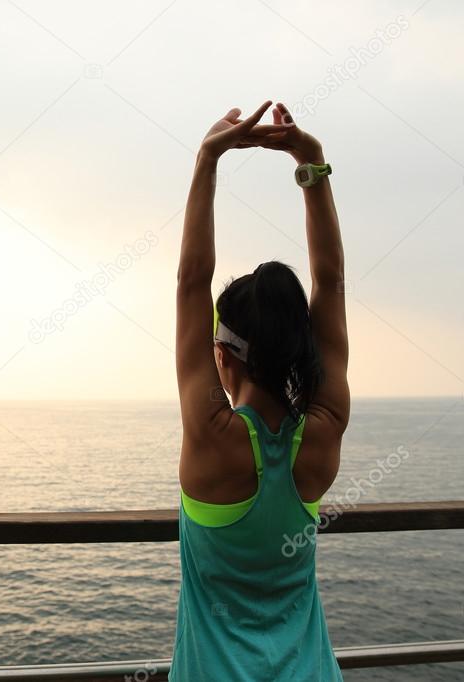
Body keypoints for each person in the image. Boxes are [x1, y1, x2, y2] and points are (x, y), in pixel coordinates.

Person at [170, 100, 349, 681]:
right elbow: (331, 281)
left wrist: (208, 157)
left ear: (220, 354)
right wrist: (312, 166)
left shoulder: (212, 442)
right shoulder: (321, 435)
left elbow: (191, 279)